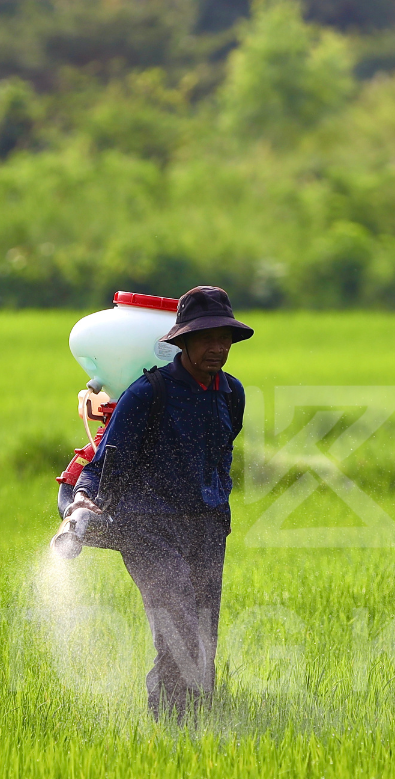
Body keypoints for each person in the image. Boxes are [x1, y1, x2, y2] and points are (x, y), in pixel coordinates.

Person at [68, 286, 251, 717]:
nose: (217, 347)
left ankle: (203, 719)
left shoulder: (231, 393)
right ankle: (171, 723)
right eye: (206, 337)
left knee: (204, 631)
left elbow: (219, 457)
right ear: (182, 341)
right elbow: (104, 458)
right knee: (179, 629)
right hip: (147, 526)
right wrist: (83, 498)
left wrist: (217, 510)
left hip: (206, 525)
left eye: (224, 337)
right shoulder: (148, 392)